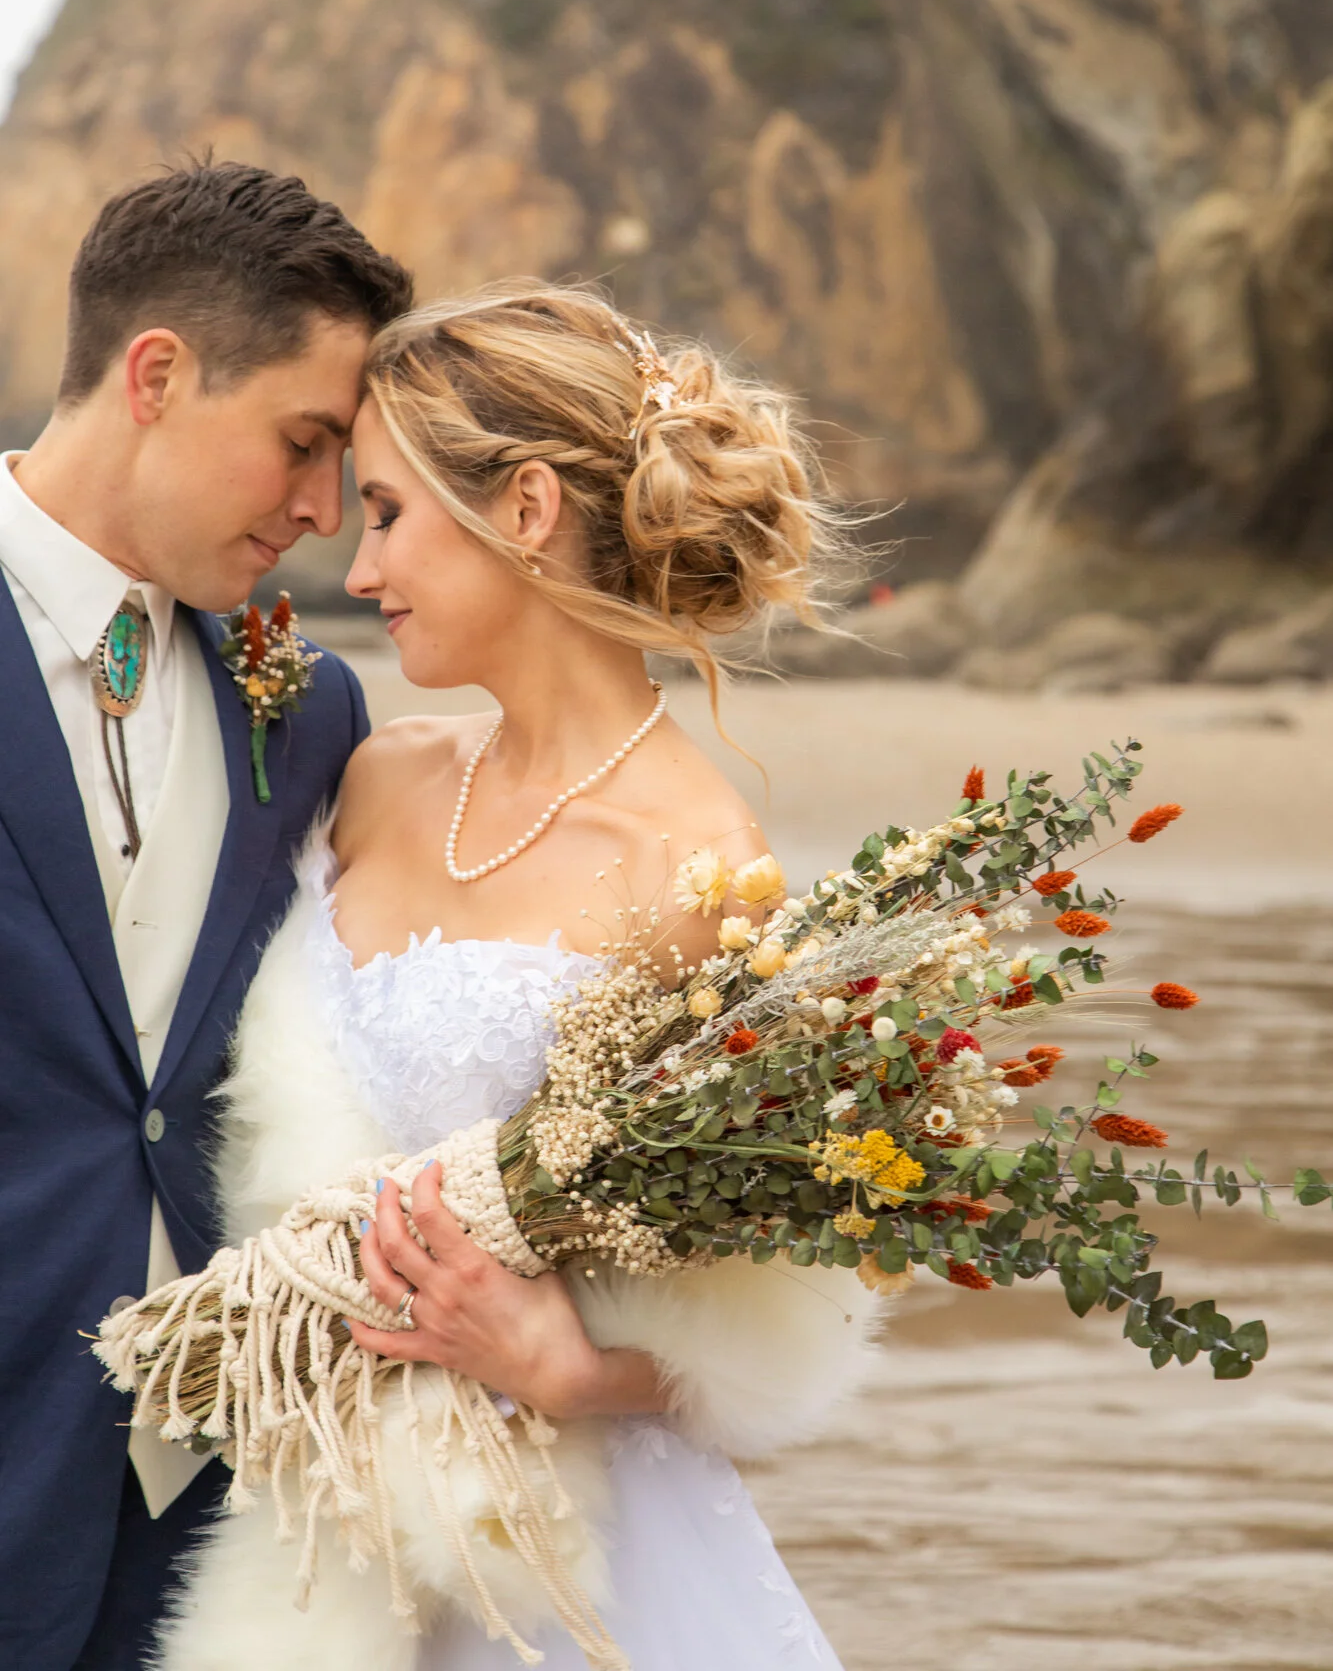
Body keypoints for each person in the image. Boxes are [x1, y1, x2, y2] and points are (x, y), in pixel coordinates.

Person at [156, 283, 881, 1671]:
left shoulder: (701, 871)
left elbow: (782, 1294)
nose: (357, 572)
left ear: (528, 508)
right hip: (310, 1516)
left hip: (554, 1552)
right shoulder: (373, 774)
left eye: (385, 513)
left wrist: (572, 1368)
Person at [0, 160, 412, 1671]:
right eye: (304, 444)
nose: (321, 511)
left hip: (217, 1513)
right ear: (157, 375)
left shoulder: (309, 707)